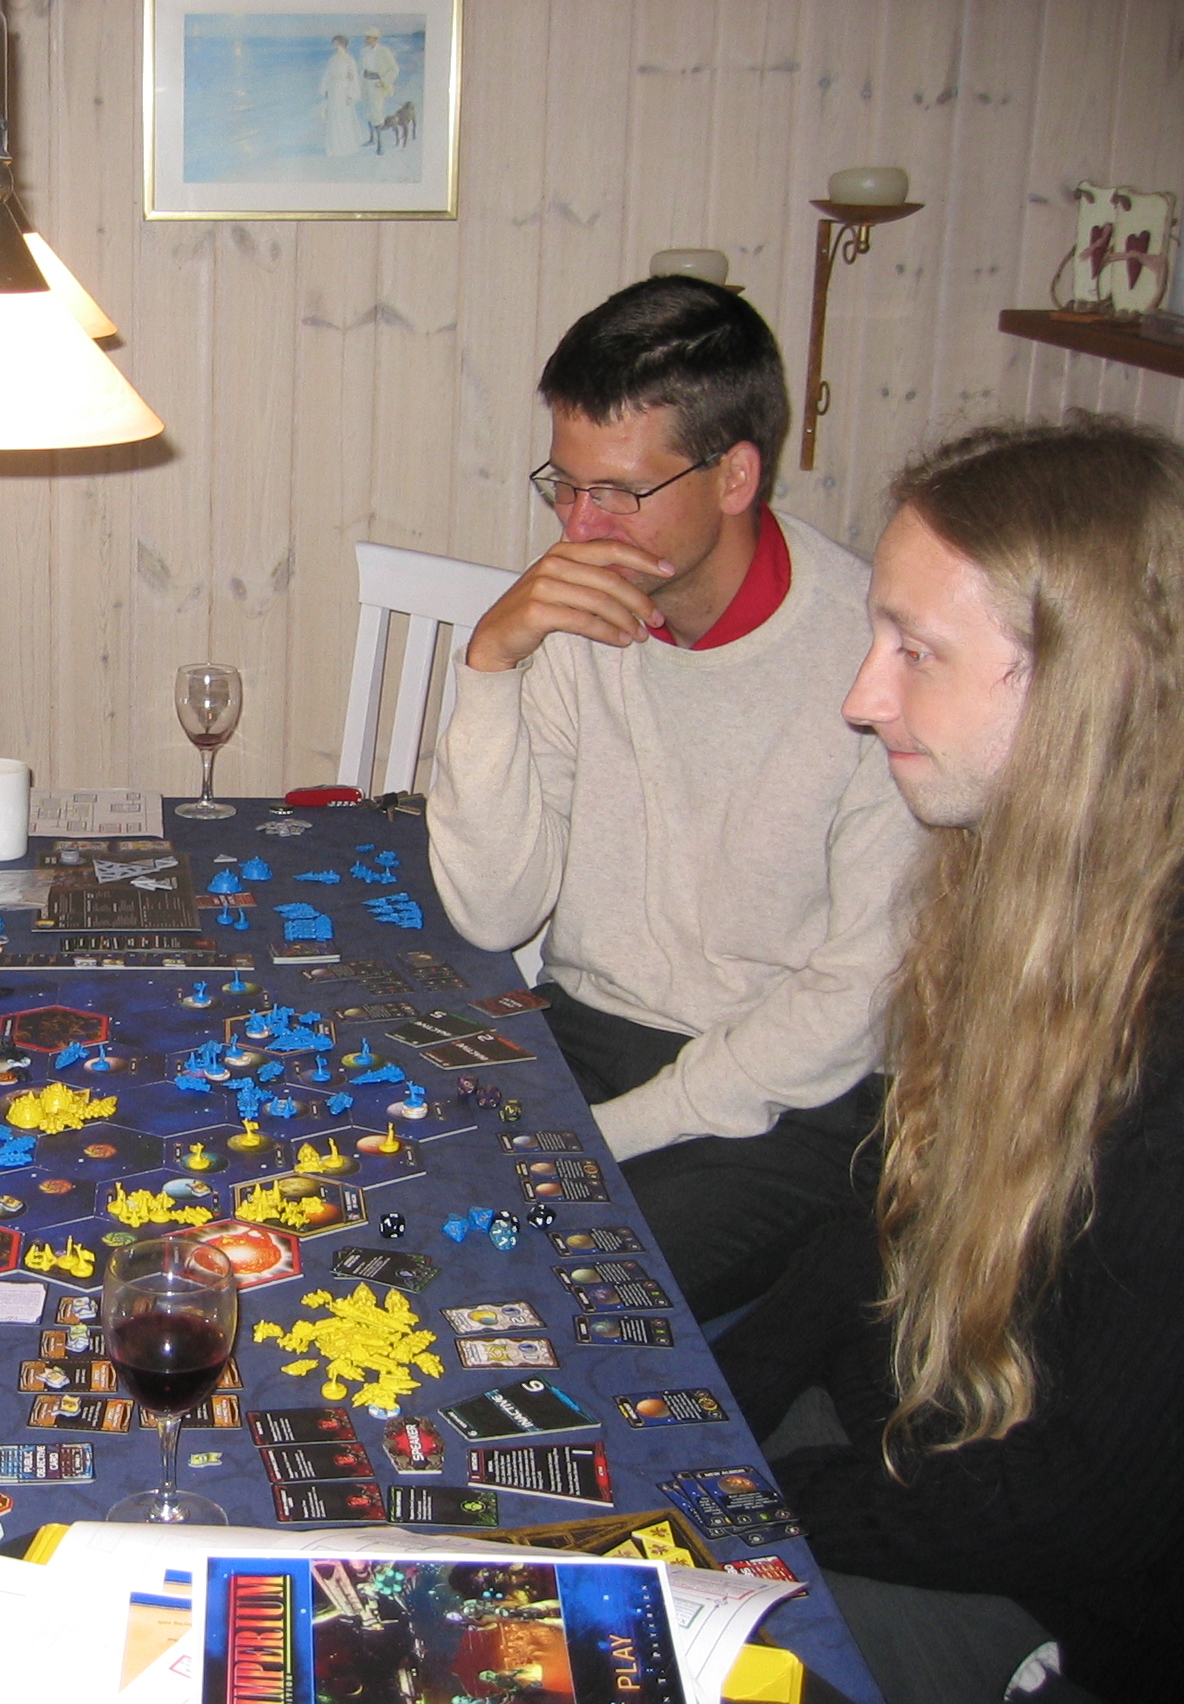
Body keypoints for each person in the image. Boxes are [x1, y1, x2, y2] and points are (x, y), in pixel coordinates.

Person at [716, 414, 1184, 1704]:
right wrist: (712, 1410)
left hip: (1046, 1591)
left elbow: (1086, 1504)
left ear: (1086, 688)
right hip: (910, 1449)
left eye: (914, 650)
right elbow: (884, 1206)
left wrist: (763, 1502)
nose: (862, 698)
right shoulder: (1020, 887)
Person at [425, 276, 922, 1318]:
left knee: (552, 1296)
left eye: (618, 492)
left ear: (735, 474)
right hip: (586, 1031)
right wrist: (491, 664)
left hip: (786, 1094)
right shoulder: (581, 609)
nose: (579, 525)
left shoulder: (875, 662)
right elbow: (493, 913)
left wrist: (609, 1133)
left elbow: (853, 1003)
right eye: (564, 485)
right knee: (379, 1200)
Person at [317, 36, 363, 158]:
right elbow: (327, 74)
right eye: (334, 44)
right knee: (333, 115)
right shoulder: (332, 59)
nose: (335, 46)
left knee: (344, 115)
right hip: (333, 89)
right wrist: (325, 89)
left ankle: (345, 146)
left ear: (342, 45)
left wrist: (351, 95)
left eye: (336, 44)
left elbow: (354, 78)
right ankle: (334, 147)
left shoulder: (349, 60)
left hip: (343, 90)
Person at [359, 29, 399, 136]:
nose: (366, 40)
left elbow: (394, 69)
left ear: (375, 39)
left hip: (377, 84)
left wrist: (384, 81)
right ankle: (372, 137)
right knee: (368, 111)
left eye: (369, 37)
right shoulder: (364, 51)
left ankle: (379, 140)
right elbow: (361, 68)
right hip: (366, 83)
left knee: (377, 110)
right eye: (366, 37)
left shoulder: (384, 51)